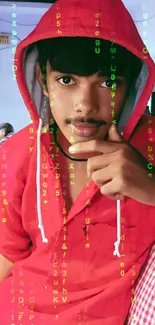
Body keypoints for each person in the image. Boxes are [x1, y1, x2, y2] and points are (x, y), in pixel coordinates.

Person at [0, 0, 155, 324]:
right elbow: (6, 255)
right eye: (67, 80)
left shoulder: (151, 145)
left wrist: (151, 188)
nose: (85, 105)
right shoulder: (17, 153)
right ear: (43, 80)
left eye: (108, 82)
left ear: (130, 88)